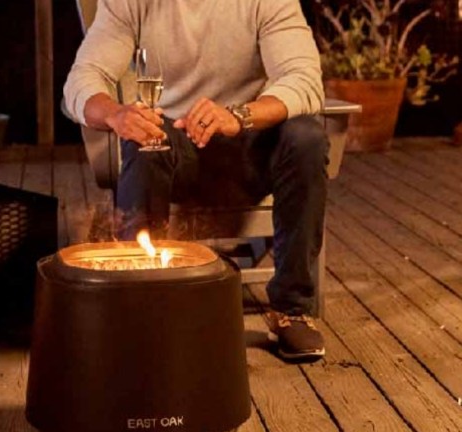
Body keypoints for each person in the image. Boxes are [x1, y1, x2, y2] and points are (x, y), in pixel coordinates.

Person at [63, 0, 328, 361]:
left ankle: (291, 310)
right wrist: (116, 114)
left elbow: (304, 79)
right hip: (175, 144)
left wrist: (238, 116)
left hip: (249, 145)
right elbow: (82, 79)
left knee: (306, 137)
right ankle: (135, 308)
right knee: (145, 140)